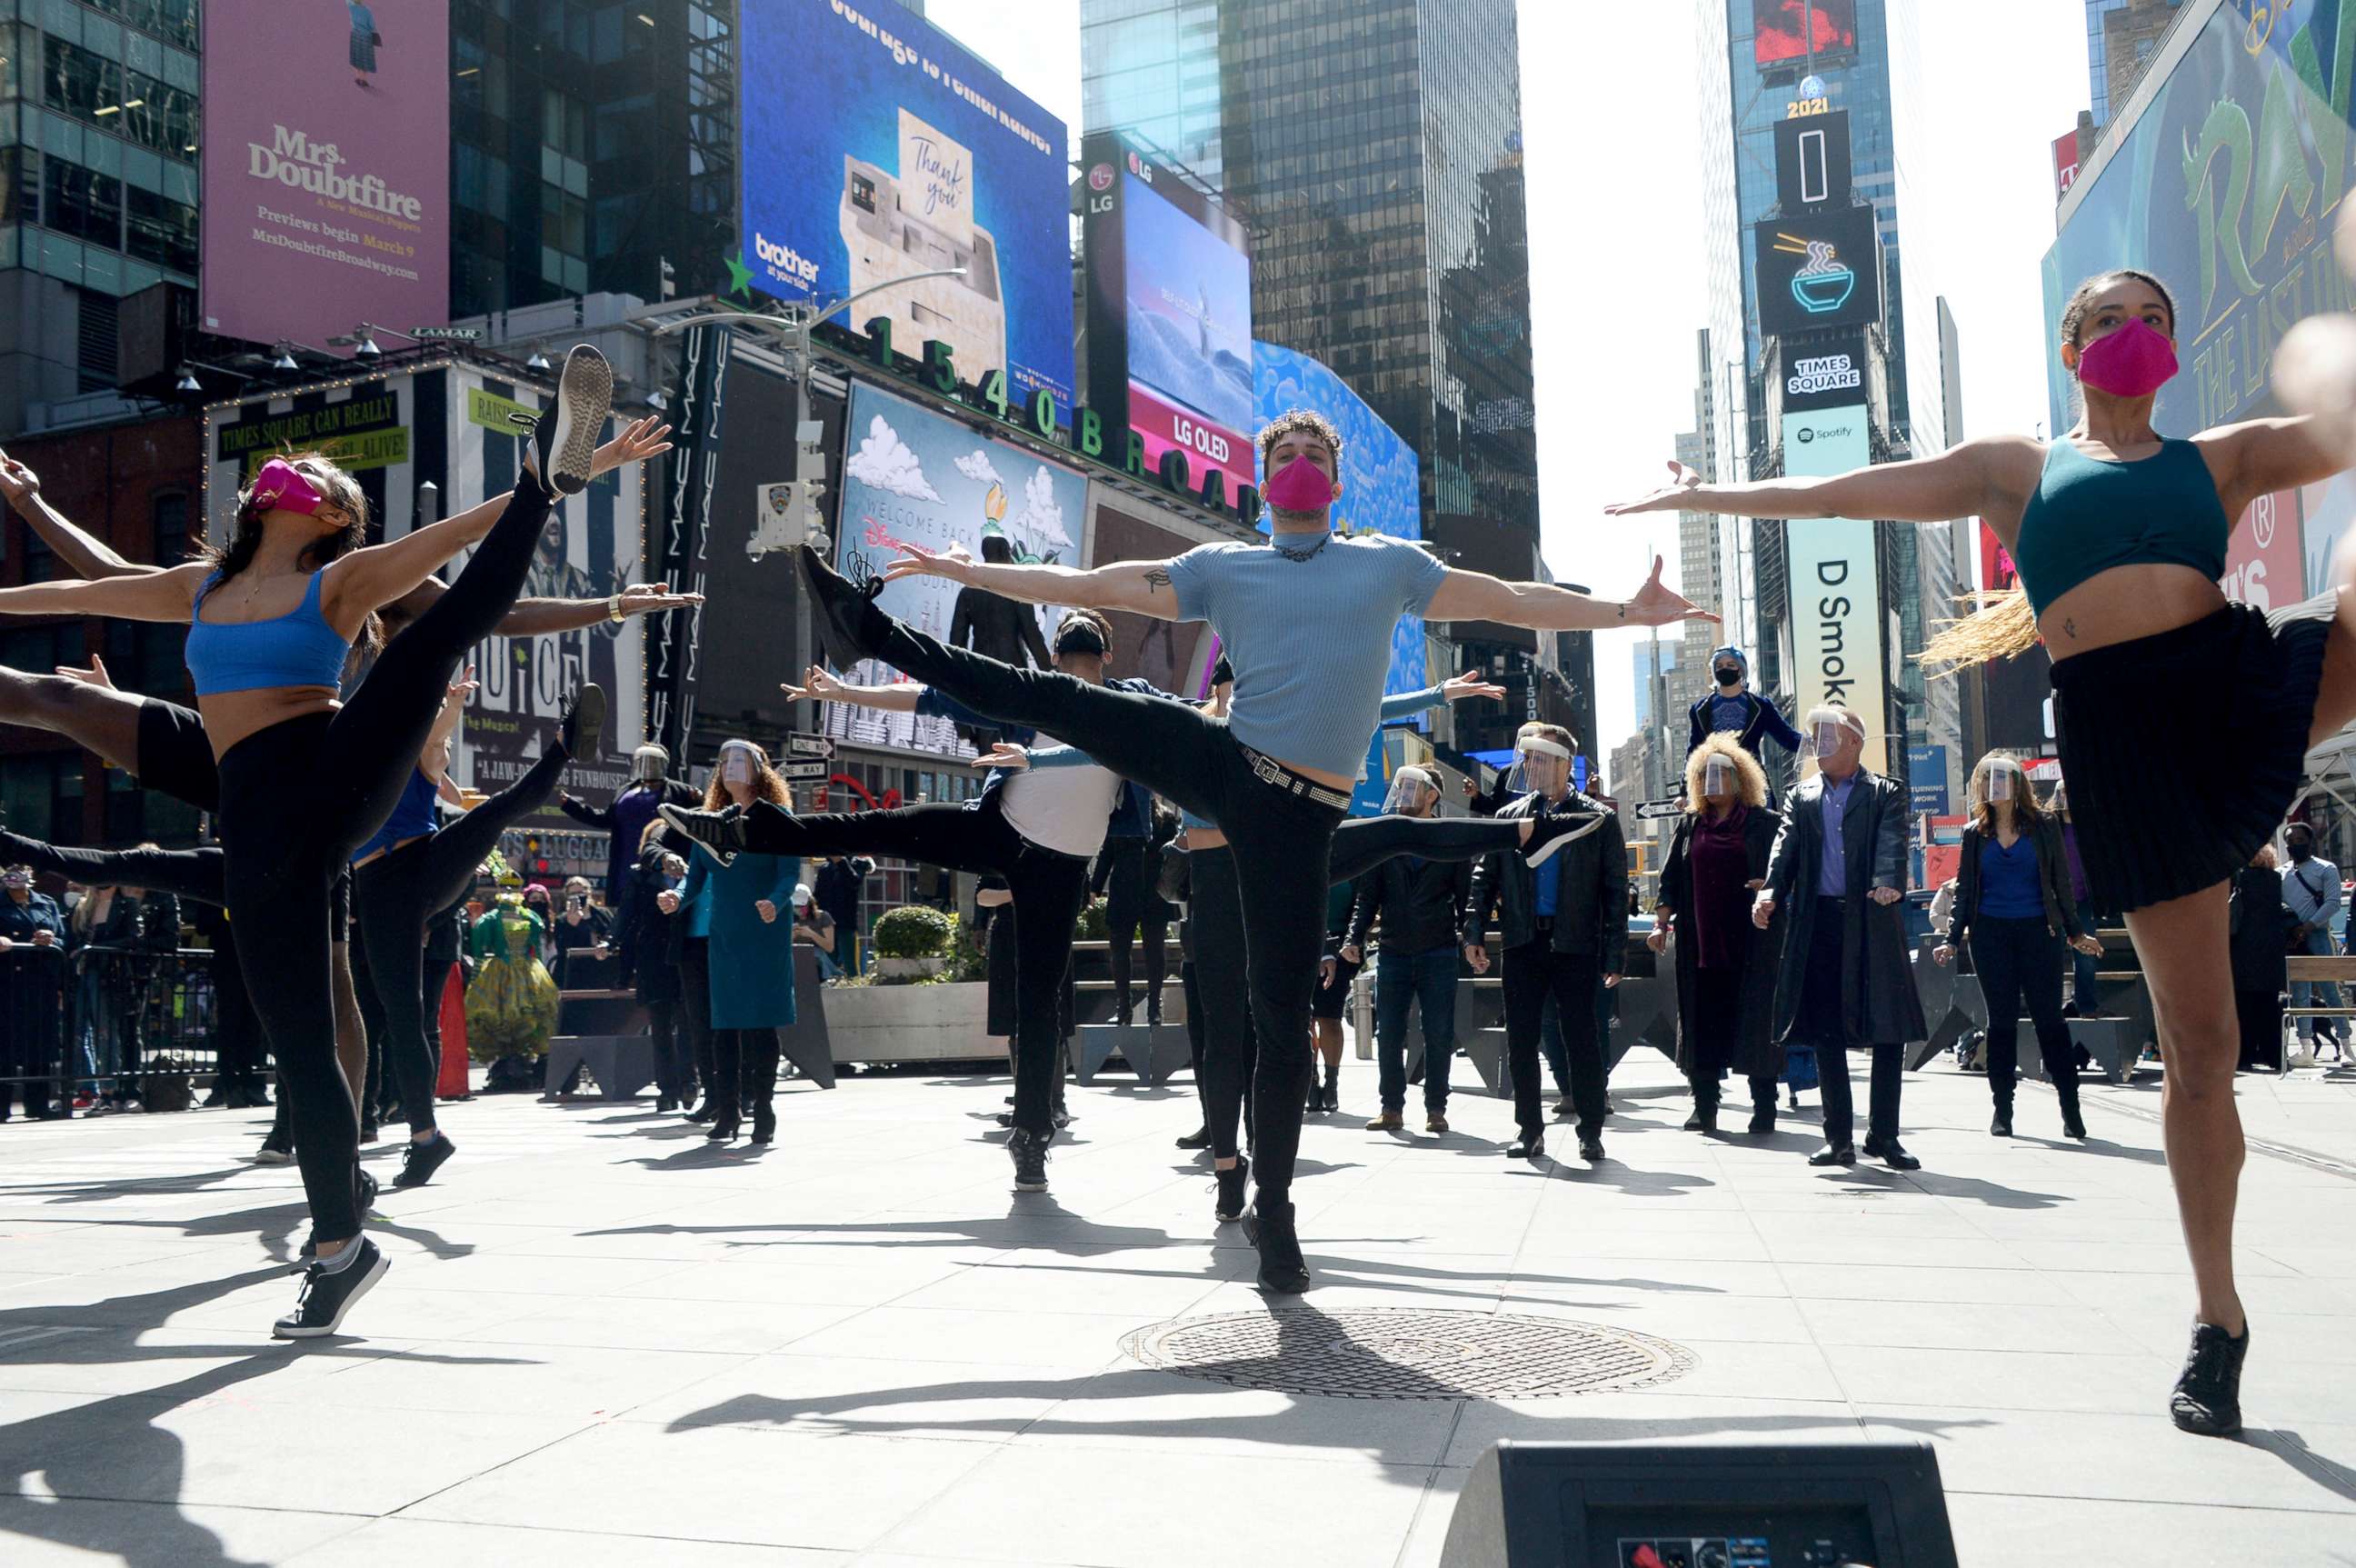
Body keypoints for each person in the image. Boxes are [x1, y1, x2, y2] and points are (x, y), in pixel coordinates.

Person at [1610, 264, 2356, 1433]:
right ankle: (2219, 1321)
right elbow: (1849, 490)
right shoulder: (2021, 469)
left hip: (2230, 692)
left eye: (2157, 317)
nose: (2137, 332)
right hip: (2124, 748)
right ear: (2073, 349)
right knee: (2201, 1046)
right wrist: (1704, 498)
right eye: (2112, 318)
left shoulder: (2222, 457)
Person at [807, 407, 1699, 1289]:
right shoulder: (1225, 569)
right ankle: (872, 630)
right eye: (1287, 453)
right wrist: (978, 574)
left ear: (1335, 483)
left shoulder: (1386, 566)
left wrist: (1624, 612)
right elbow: (1100, 585)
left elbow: (1506, 601)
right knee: (1063, 701)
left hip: (1297, 823)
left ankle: (1274, 1216)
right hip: (1226, 766)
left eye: (1315, 453)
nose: (1303, 462)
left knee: (1279, 1024)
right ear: (1264, 482)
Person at [0, 345, 633, 1338]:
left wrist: (538, 485)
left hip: (329, 774)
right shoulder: (197, 586)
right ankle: (344, 1243)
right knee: (300, 1040)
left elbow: (451, 558)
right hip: (239, 791)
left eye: (311, 476)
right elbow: (78, 592)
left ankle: (540, 480)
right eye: (274, 472)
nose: (280, 473)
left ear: (331, 515)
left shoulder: (341, 580)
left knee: (434, 637)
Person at [669, 614, 1144, 1183]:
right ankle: (745, 831)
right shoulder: (1031, 694)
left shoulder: (1131, 703)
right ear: (1077, 654)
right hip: (1002, 832)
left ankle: (1032, 1137)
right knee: (887, 824)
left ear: (1092, 654)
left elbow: (1197, 718)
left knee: (1038, 1001)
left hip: (1059, 869)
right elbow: (934, 700)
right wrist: (845, 691)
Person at [1750, 708, 1926, 1171]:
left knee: (1888, 1030)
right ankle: (1838, 1139)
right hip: (1819, 922)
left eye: (1827, 734)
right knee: (1826, 1031)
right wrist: (1770, 892)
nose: (1817, 741)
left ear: (1853, 741)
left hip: (1873, 917)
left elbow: (1892, 839)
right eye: (1815, 735)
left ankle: (1884, 1136)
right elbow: (1785, 848)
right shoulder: (1800, 796)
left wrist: (1889, 879)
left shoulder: (1888, 792)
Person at [1463, 724, 1631, 1162]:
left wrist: (1614, 953)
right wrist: (1474, 933)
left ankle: (1590, 1129)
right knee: (1520, 1040)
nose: (1530, 766)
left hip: (1576, 943)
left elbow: (1615, 890)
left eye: (1539, 758)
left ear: (1561, 762)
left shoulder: (1597, 818)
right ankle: (1529, 1130)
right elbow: (1485, 878)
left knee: (1583, 1039)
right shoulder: (1509, 817)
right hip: (1523, 940)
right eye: (1528, 758)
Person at [1933, 754, 2101, 1139]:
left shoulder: (2044, 826)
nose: (1995, 785)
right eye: (1988, 778)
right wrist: (1950, 939)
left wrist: (2077, 933)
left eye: (2002, 778)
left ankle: (2071, 1109)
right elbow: (1965, 893)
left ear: (2016, 784)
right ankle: (2003, 1110)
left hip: (2039, 933)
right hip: (1991, 935)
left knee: (2050, 1020)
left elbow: (2061, 884)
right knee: (2001, 1022)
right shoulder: (1975, 833)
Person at [657, 739, 803, 1144]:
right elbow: (695, 877)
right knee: (724, 1026)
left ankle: (764, 1110)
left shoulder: (778, 818)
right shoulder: (709, 823)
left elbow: (789, 875)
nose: (730, 767)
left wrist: (774, 903)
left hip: (765, 932)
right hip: (725, 934)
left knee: (760, 1025)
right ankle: (728, 1110)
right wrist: (677, 897)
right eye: (723, 761)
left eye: (739, 760)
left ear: (760, 769)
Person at [1649, 734, 1787, 1134]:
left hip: (1753, 940)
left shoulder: (1765, 822)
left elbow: (1788, 873)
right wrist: (1660, 925)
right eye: (1706, 774)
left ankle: (1765, 1104)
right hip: (1700, 941)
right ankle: (1704, 1104)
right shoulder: (1691, 824)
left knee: (1757, 1021)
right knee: (1701, 1021)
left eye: (1722, 773)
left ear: (1740, 777)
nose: (1713, 781)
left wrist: (1771, 885)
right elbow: (1670, 879)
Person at [1343, 765, 1472, 1134]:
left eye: (1410, 787)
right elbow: (1367, 898)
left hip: (1439, 951)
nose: (1401, 793)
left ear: (1432, 795)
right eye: (1400, 787)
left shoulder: (1449, 839)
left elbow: (1465, 900)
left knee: (1438, 1032)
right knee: (1389, 1033)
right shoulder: (1385, 840)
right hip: (1393, 950)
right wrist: (1354, 939)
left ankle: (1436, 1108)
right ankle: (1391, 1107)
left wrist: (1471, 939)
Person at [612, 823, 692, 1110]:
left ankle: (688, 1083)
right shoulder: (638, 875)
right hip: (653, 955)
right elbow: (627, 913)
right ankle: (668, 1090)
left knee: (687, 1023)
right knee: (660, 1026)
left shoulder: (691, 871)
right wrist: (611, 941)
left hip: (684, 951)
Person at [562, 744, 701, 902]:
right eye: (643, 760)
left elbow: (695, 817)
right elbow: (605, 819)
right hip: (624, 866)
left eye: (654, 761)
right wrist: (571, 806)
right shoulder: (626, 791)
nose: (648, 766)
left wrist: (696, 797)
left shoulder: (680, 791)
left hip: (660, 866)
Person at [1093, 797, 1179, 1027]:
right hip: (1123, 890)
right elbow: (1107, 854)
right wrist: (1095, 887)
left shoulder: (1166, 819)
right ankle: (1123, 1007)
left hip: (1154, 892)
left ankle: (1154, 1007)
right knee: (1119, 949)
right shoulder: (1118, 817)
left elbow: (1173, 856)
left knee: (1155, 950)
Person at [467, 877, 559, 1066]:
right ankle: (506, 1065)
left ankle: (525, 1063)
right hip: (500, 972)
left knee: (530, 1014)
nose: (509, 891)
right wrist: (475, 980)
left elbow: (538, 950)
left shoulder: (530, 917)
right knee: (500, 1014)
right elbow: (479, 953)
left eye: (513, 887)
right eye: (505, 887)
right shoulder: (490, 920)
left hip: (528, 972)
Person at [0, 864, 66, 1121]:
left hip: (40, 983)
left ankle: (37, 1104)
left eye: (21, 870)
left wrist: (52, 939)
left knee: (38, 1046)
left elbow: (63, 938)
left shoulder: (47, 903)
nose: (15, 876)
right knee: (4, 1047)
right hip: (7, 983)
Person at [2279, 821, 2345, 1059]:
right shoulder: (2281, 873)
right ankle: (2305, 1046)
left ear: (2309, 842)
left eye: (2299, 840)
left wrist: (2308, 926)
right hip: (2294, 939)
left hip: (2316, 935)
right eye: (2289, 841)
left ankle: (2346, 1045)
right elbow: (2279, 904)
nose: (2293, 845)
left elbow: (2333, 903)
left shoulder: (2326, 868)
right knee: (2299, 995)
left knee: (2330, 991)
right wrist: (2292, 928)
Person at [1685, 644, 1803, 769]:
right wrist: (1686, 785)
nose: (1724, 669)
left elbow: (1787, 737)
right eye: (1719, 666)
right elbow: (1694, 751)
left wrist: (1817, 743)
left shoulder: (1761, 706)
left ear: (1741, 669)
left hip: (1752, 778)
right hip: (1716, 778)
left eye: (1731, 665)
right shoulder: (1700, 709)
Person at [2230, 845, 2291, 1074]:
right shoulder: (2276, 880)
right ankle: (2273, 1055)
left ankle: (2244, 1055)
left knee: (2244, 1007)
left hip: (2243, 949)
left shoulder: (2239, 878)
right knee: (2269, 1006)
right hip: (2271, 951)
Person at [2051, 783, 2108, 1017]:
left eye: (2070, 792)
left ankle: (2086, 1006)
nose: (2066, 797)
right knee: (2051, 957)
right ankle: (2051, 1009)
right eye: (2062, 792)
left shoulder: (2089, 826)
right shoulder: (2050, 825)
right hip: (2055, 901)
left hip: (2083, 900)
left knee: (2085, 956)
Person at [812, 854, 876, 980]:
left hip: (846, 923)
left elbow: (854, 882)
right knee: (829, 962)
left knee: (851, 964)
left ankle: (853, 984)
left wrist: (841, 862)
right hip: (827, 924)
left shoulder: (857, 864)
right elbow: (818, 896)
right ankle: (830, 984)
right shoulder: (825, 869)